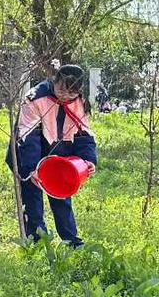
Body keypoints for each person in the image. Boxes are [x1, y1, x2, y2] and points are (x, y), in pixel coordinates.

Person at [8, 63, 98, 247]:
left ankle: (71, 241)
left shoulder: (80, 102)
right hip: (30, 152)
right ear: (54, 81)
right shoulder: (35, 97)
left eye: (71, 93)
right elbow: (27, 136)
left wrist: (88, 160)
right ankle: (37, 242)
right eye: (61, 90)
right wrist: (32, 168)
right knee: (32, 200)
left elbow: (84, 135)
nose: (65, 97)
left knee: (62, 197)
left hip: (61, 154)